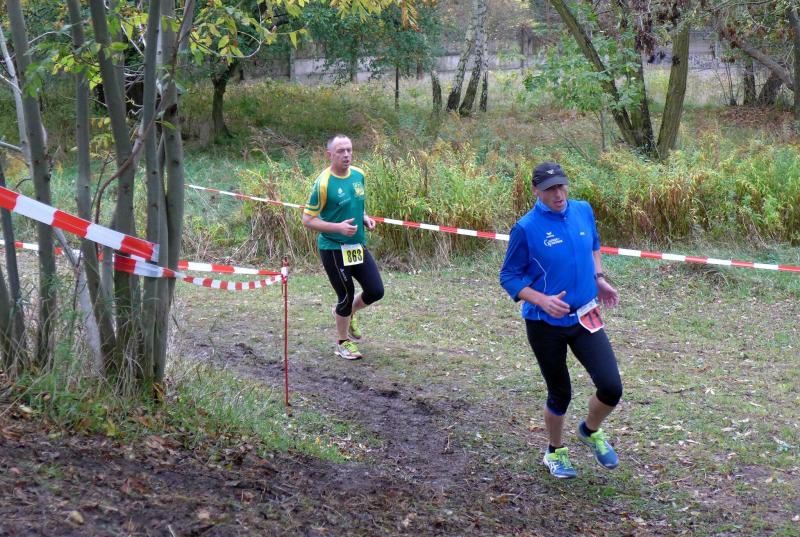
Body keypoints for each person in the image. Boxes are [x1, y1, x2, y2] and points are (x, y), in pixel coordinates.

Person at [499, 162, 623, 479]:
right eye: (550, 188)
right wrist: (542, 300)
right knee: (561, 393)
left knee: (611, 387)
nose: (558, 194)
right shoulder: (526, 228)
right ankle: (554, 451)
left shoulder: (582, 210)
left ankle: (589, 430)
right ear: (536, 191)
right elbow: (509, 276)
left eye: (561, 186)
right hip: (544, 325)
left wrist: (598, 278)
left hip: (585, 316)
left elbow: (594, 245)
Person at [302, 134, 384, 360]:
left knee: (375, 290)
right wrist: (337, 227)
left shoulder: (359, 175)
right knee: (345, 295)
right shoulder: (323, 183)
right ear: (330, 154)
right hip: (333, 248)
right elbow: (307, 220)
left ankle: (347, 314)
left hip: (356, 246)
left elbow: (358, 204)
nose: (346, 155)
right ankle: (342, 343)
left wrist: (365, 217)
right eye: (340, 151)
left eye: (349, 150)